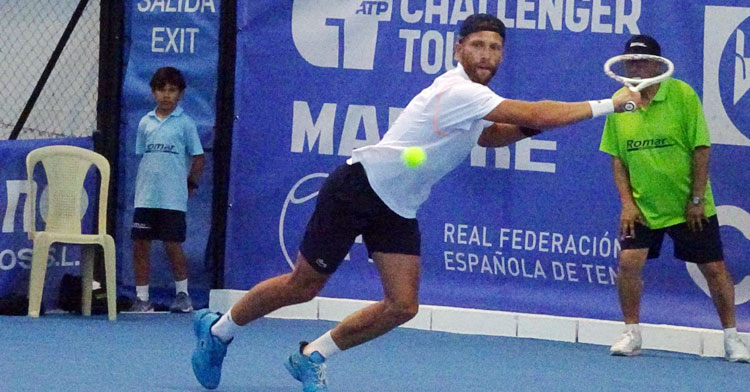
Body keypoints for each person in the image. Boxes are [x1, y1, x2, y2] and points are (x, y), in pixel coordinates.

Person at [191, 14, 641, 391]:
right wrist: (608, 104)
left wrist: (541, 125)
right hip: (359, 187)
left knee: (402, 305)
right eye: (478, 45)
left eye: (496, 48)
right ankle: (218, 330)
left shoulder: (474, 101)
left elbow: (490, 138)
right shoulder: (458, 90)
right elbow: (536, 112)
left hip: (399, 205)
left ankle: (311, 355)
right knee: (302, 286)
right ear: (458, 48)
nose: (487, 55)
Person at [600, 35, 750, 362]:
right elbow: (617, 159)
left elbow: (701, 148)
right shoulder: (618, 101)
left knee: (714, 268)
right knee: (628, 263)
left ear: (657, 65)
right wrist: (627, 203)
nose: (636, 66)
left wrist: (696, 198)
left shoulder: (682, 95)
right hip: (642, 208)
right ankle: (631, 333)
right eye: (631, 60)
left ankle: (732, 338)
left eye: (642, 60)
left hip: (689, 207)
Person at [129, 66, 205, 313]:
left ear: (180, 94)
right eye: (161, 89)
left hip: (173, 199)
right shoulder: (145, 123)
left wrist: (191, 183)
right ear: (153, 93)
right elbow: (143, 155)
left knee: (172, 245)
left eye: (172, 90)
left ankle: (183, 296)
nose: (166, 95)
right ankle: (142, 299)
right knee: (141, 244)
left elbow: (198, 157)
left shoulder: (185, 124)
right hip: (145, 196)